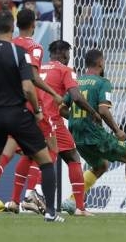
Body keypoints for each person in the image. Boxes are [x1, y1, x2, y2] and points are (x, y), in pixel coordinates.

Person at [0, 11, 64, 223]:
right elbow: (28, 87)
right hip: (18, 114)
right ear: (11, 27)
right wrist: (36, 110)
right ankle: (51, 211)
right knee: (45, 159)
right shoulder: (19, 53)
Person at [66, 49, 126, 214]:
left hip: (78, 136)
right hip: (95, 135)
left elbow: (61, 108)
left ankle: (72, 200)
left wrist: (77, 118)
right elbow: (103, 110)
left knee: (100, 165)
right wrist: (117, 130)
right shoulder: (103, 82)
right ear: (101, 63)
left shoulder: (76, 82)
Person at [40, 40, 100, 216]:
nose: (68, 57)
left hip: (33, 119)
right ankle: (80, 208)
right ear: (63, 53)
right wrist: (93, 113)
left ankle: (17, 199)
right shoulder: (65, 70)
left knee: (33, 159)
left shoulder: (39, 69)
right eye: (68, 53)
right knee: (72, 157)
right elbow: (76, 97)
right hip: (52, 121)